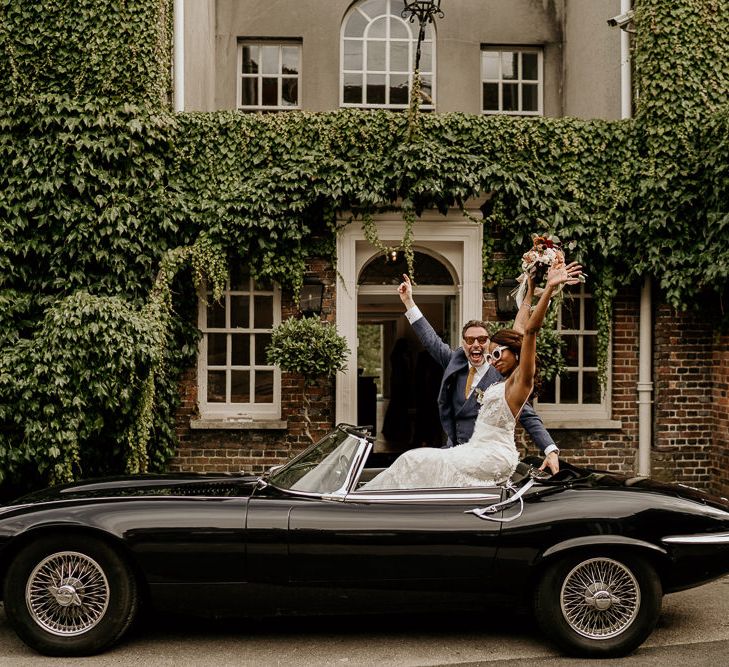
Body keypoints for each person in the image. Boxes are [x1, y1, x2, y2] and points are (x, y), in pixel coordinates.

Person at [363, 262, 583, 490]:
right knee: (411, 463)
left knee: (413, 461)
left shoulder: (511, 380)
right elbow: (432, 340)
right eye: (470, 340)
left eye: (487, 345)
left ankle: (364, 504)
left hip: (488, 456)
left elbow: (528, 333)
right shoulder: (460, 363)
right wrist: (530, 286)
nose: (484, 351)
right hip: (462, 451)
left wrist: (550, 449)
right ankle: (369, 499)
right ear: (464, 344)